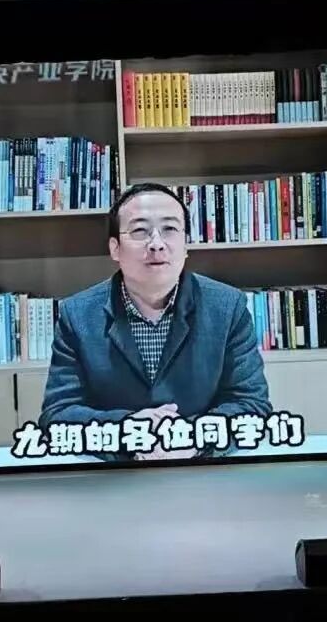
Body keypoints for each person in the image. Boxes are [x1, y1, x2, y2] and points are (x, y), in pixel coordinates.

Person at [38, 182, 272, 461]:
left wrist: (193, 437)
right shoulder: (77, 315)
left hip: (202, 469)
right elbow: (58, 415)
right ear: (115, 248)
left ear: (185, 245)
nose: (157, 244)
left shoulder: (227, 307)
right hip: (112, 475)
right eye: (140, 231)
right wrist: (130, 431)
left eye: (170, 229)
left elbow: (252, 404)